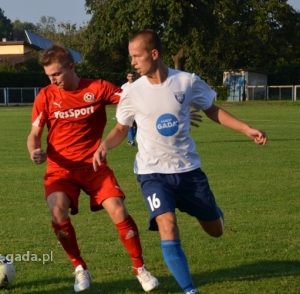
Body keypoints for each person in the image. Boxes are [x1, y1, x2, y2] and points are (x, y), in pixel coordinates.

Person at [93, 30, 268, 294]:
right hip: (152, 174)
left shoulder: (187, 82)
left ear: (154, 54)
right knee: (167, 222)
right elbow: (121, 127)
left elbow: (212, 109)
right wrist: (105, 145)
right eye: (131, 57)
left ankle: (212, 212)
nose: (133, 62)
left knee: (215, 230)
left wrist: (246, 129)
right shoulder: (132, 92)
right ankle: (189, 290)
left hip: (188, 172)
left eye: (137, 56)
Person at [26, 43, 159, 292]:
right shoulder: (46, 95)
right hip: (60, 169)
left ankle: (140, 268)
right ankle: (80, 268)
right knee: (57, 213)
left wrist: (171, 107)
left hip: (94, 166)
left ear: (72, 67)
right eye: (49, 76)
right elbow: (34, 134)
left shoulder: (98, 88)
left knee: (119, 210)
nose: (53, 80)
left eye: (57, 74)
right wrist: (34, 151)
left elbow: (137, 100)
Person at [121, 71, 138, 146]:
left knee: (136, 126)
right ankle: (131, 141)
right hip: (128, 108)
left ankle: (130, 139)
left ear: (135, 76)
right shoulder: (124, 86)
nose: (131, 78)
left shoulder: (139, 84)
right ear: (127, 77)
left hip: (138, 107)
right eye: (129, 76)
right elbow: (121, 98)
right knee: (130, 124)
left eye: (132, 76)